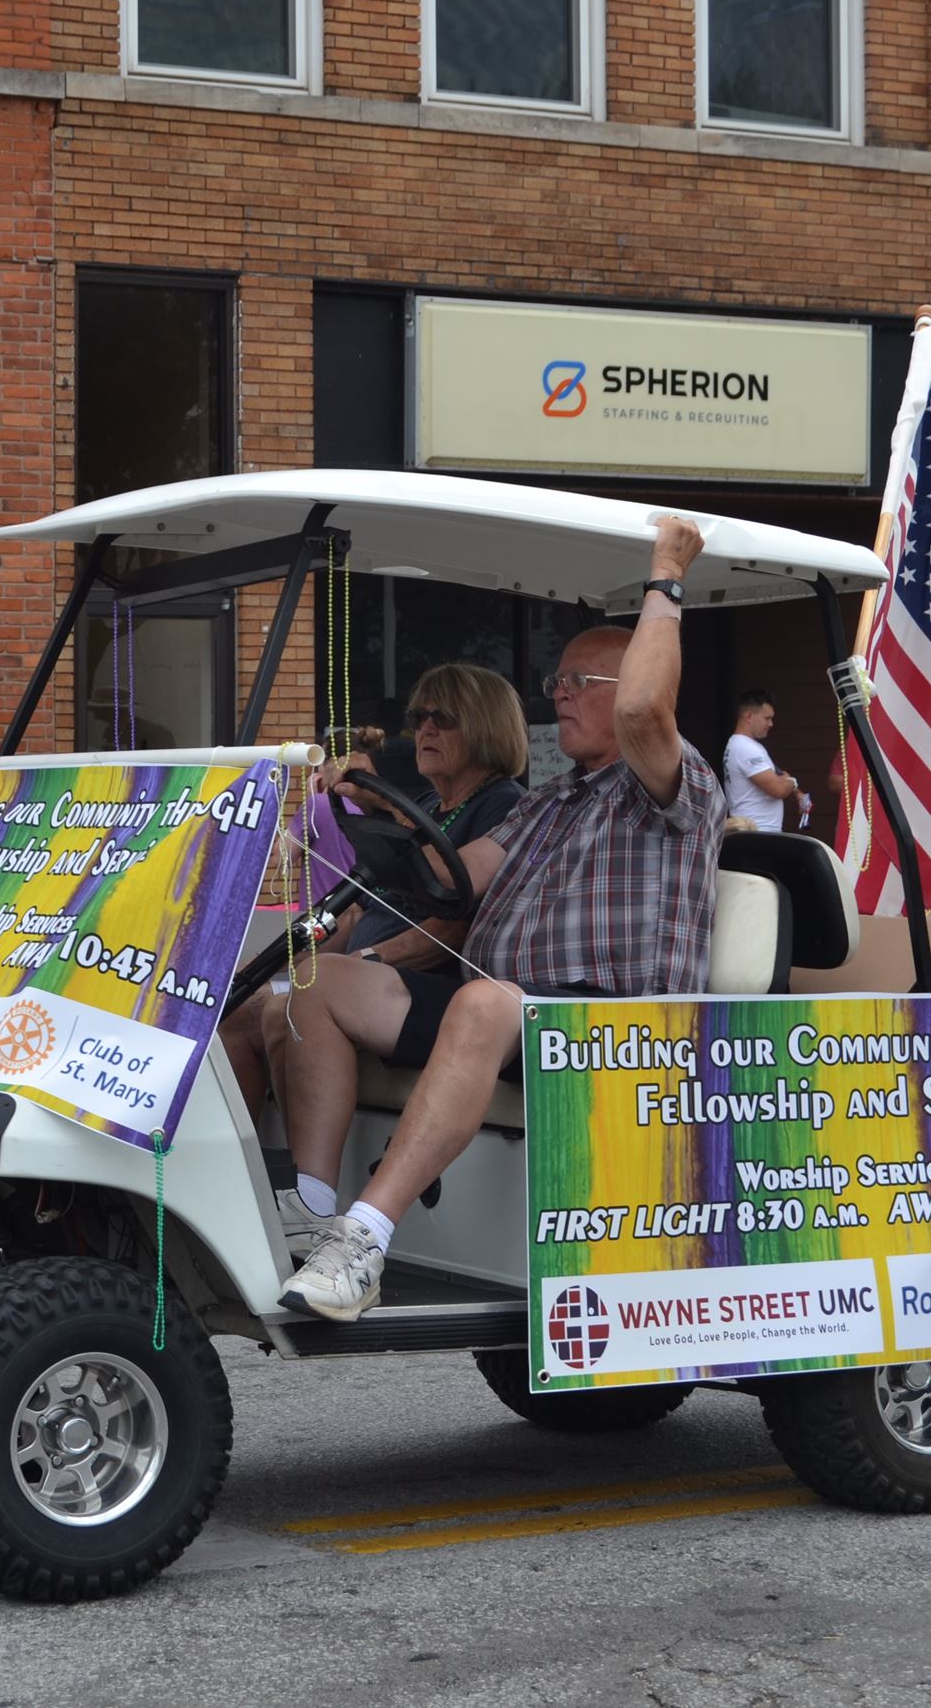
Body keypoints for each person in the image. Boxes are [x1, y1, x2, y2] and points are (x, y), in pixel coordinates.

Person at [279, 519, 724, 1320]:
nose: (557, 695)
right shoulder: (552, 799)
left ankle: (367, 1238)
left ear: (628, 688)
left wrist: (665, 576)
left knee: (485, 1002)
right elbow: (459, 871)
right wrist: (383, 825)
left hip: (619, 1027)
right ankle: (311, 1212)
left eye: (578, 682)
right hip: (517, 1014)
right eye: (557, 681)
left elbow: (649, 707)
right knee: (319, 983)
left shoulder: (675, 785)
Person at [222, 664, 529, 1116]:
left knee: (281, 1011)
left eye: (442, 718)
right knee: (236, 1007)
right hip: (367, 974)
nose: (424, 729)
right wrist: (267, 965)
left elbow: (457, 926)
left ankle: (301, 1171)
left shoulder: (504, 806)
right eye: (418, 717)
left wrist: (358, 965)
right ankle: (250, 1163)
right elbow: (357, 911)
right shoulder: (427, 805)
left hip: (426, 988)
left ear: (485, 725)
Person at [721, 690, 803, 834]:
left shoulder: (743, 745)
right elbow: (777, 789)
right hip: (756, 832)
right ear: (749, 716)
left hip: (757, 831)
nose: (771, 724)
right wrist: (792, 782)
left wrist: (791, 788)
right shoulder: (744, 747)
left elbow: (779, 781)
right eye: (767, 718)